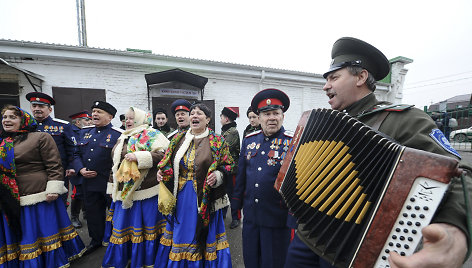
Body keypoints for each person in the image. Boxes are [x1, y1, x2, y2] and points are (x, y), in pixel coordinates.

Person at [285, 37, 471, 268]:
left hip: (354, 250)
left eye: (334, 77)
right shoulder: (324, 124)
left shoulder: (403, 120)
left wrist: (454, 232)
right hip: (307, 235)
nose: (326, 86)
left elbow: (460, 175)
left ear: (361, 77)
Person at [0, 105, 85, 267]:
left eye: (12, 117)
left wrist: (54, 189)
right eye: (4, 117)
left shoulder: (40, 137)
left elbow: (54, 165)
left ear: (23, 120)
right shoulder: (2, 142)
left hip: (35, 195)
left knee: (35, 234)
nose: (7, 120)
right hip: (8, 197)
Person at [155, 102, 234, 267]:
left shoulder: (217, 141)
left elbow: (230, 165)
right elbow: (166, 162)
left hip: (205, 197)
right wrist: (162, 172)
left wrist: (218, 176)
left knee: (203, 232)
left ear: (208, 119)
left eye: (199, 114)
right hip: (181, 196)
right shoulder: (177, 138)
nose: (194, 116)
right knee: (181, 232)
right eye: (192, 113)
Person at [232, 88, 294, 268]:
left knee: (274, 262)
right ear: (258, 117)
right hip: (251, 216)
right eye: (267, 114)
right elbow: (242, 175)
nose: (272, 118)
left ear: (283, 116)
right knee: (251, 260)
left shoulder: (292, 142)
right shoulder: (249, 140)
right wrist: (236, 206)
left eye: (276, 113)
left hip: (277, 217)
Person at [102, 107, 169, 268]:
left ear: (141, 119)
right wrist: (112, 187)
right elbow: (115, 165)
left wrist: (139, 157)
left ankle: (145, 261)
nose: (128, 121)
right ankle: (123, 259)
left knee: (144, 229)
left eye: (132, 118)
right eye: (126, 118)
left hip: (146, 192)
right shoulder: (123, 137)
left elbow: (164, 155)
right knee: (122, 227)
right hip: (123, 193)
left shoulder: (153, 134)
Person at [72, 100, 123, 255]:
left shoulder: (118, 135)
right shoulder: (84, 132)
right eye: (93, 111)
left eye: (99, 112)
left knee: (115, 213)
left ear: (110, 116)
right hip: (89, 182)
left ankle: (117, 241)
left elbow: (121, 159)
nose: (94, 114)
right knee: (93, 213)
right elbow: (75, 154)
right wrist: (80, 169)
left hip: (109, 183)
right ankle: (96, 240)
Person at [26, 92, 77, 205]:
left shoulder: (62, 126)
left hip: (57, 171)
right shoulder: (26, 127)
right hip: (32, 172)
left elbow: (72, 148)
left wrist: (71, 166)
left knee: (58, 202)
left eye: (41, 106)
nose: (37, 109)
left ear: (50, 110)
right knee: (36, 202)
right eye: (34, 106)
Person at [68, 110, 92, 229]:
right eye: (86, 120)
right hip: (76, 167)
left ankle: (87, 212)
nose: (90, 121)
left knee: (88, 191)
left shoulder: (89, 131)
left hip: (88, 166)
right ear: (78, 121)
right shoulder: (70, 131)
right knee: (77, 194)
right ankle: (74, 216)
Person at [220, 106, 242, 229]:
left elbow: (224, 148)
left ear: (226, 119)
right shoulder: (225, 131)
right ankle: (223, 213)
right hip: (224, 167)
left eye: (222, 117)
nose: (220, 119)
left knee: (233, 194)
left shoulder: (232, 131)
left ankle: (236, 217)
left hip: (232, 169)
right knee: (223, 192)